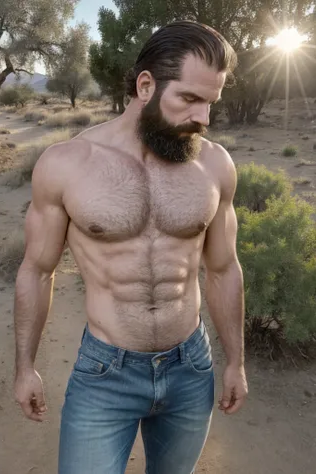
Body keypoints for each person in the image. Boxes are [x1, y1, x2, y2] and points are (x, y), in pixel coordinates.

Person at [14, 20, 248, 474]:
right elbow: (36, 270)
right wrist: (25, 366)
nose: (203, 118)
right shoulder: (67, 164)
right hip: (106, 374)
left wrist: (236, 361)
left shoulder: (215, 164)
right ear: (146, 85)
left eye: (211, 103)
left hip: (190, 366)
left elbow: (223, 268)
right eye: (189, 99)